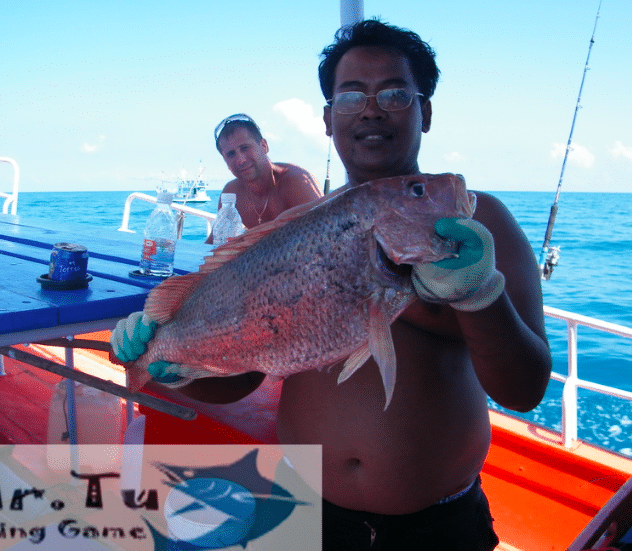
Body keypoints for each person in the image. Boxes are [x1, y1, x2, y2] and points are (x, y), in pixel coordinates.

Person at [113, 20, 552, 550]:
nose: (372, 109)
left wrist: (481, 293)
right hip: (309, 515)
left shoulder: (483, 224)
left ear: (425, 111)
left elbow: (524, 390)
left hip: (437, 528)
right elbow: (245, 377)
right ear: (328, 119)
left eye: (394, 93)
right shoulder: (300, 230)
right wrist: (172, 369)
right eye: (352, 96)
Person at [212, 113, 322, 231]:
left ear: (264, 146)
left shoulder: (297, 182)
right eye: (231, 154)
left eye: (245, 148)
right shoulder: (232, 193)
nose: (240, 160)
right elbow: (215, 243)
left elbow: (323, 235)